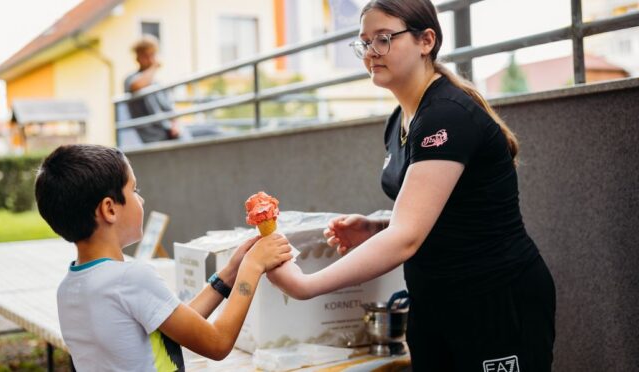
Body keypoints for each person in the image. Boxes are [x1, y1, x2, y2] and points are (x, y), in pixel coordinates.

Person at [267, 1, 556, 371]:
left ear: (426, 41)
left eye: (384, 39)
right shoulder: (401, 119)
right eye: (364, 42)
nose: (371, 52)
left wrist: (305, 285)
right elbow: (437, 215)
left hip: (495, 300)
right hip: (437, 302)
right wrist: (377, 228)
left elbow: (408, 237)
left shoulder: (446, 113)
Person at [35, 144, 292, 371]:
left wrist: (228, 275)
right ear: (109, 209)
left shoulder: (68, 289)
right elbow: (217, 343)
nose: (142, 199)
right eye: (135, 189)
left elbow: (172, 323)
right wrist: (252, 266)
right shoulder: (131, 279)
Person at [124, 36, 179, 143]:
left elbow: (169, 108)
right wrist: (154, 67)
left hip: (168, 131)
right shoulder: (131, 79)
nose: (149, 59)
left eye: (152, 55)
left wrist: (175, 125)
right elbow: (137, 86)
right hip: (152, 136)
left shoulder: (157, 83)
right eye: (145, 55)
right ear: (137, 57)